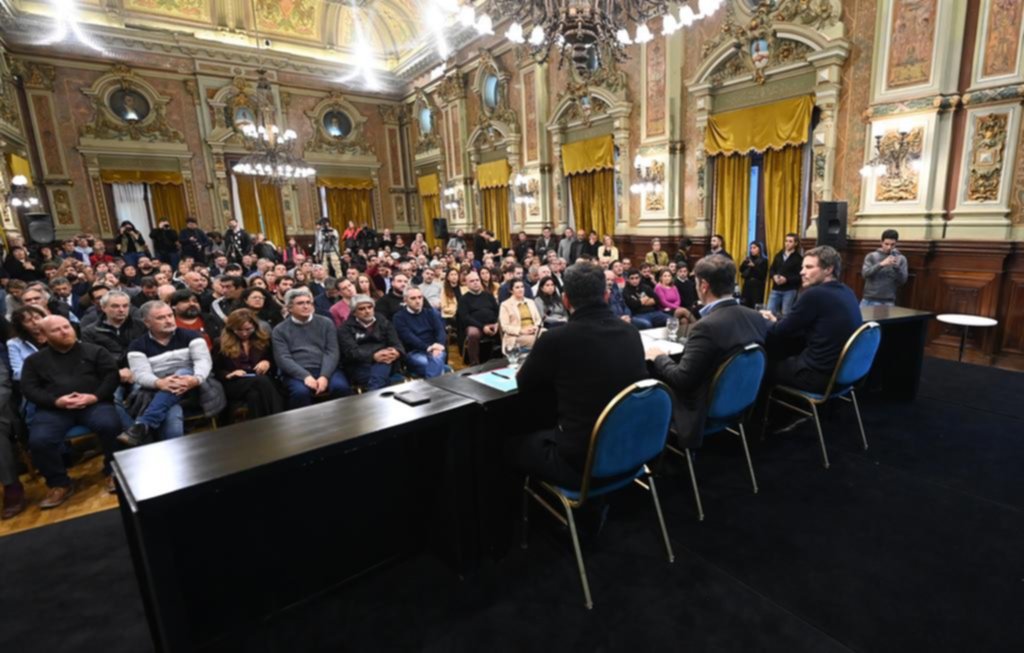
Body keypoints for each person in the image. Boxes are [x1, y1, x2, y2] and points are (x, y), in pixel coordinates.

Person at [509, 262, 647, 488]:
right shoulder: (631, 332)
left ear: (565, 300)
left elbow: (523, 385)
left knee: (509, 444)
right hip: (631, 445)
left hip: (581, 461)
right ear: (606, 295)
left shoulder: (556, 340)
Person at [646, 256, 767, 446]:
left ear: (703, 285)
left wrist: (659, 357)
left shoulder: (706, 327)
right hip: (739, 401)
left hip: (700, 408)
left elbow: (682, 380)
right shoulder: (756, 317)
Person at [21, 316, 123, 504]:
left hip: (94, 403)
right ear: (44, 336)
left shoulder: (95, 351)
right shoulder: (34, 361)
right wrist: (56, 402)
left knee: (111, 425)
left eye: (66, 327)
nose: (64, 331)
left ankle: (114, 472)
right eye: (56, 330)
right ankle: (59, 484)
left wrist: (95, 396)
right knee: (39, 440)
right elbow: (29, 389)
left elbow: (111, 376)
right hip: (54, 409)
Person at [760, 246, 862, 395]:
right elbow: (803, 321)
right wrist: (777, 319)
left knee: (762, 365)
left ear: (828, 269)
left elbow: (780, 330)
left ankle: (764, 418)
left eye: (808, 267)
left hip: (817, 377)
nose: (801, 272)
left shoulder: (815, 294)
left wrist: (764, 319)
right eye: (802, 267)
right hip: (844, 376)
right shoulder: (847, 290)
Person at [121, 301, 221, 445]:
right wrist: (159, 383)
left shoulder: (192, 336)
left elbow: (203, 362)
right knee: (172, 415)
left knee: (183, 371)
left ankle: (143, 424)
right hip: (158, 391)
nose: (168, 320)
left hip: (196, 388)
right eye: (161, 318)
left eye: (170, 315)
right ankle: (175, 455)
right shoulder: (137, 346)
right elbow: (141, 375)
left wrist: (195, 379)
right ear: (147, 323)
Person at [272, 287, 349, 408]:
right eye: (300, 303)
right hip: (296, 372)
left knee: (341, 387)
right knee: (300, 393)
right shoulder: (280, 330)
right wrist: (305, 376)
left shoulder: (326, 323)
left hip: (326, 368)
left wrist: (324, 376)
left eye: (308, 302)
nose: (306, 306)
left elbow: (332, 352)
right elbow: (283, 358)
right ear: (289, 308)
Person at [215, 309, 283, 420]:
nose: (244, 333)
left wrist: (267, 362)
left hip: (259, 379)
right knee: (263, 381)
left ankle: (260, 430)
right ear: (231, 329)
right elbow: (216, 370)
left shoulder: (263, 339)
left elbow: (275, 364)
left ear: (254, 326)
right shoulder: (220, 343)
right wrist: (229, 374)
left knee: (254, 395)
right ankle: (279, 419)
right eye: (239, 330)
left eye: (248, 329)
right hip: (235, 382)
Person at [338, 295, 405, 390]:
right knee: (388, 380)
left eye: (370, 307)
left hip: (387, 362)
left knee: (382, 368)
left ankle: (374, 392)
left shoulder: (383, 321)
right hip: (360, 365)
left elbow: (397, 343)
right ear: (354, 313)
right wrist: (374, 356)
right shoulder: (345, 329)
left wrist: (396, 352)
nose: (367, 311)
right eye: (362, 309)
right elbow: (351, 352)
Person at [393, 286, 447, 379]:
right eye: (413, 298)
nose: (418, 301)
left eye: (420, 297)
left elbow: (440, 331)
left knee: (435, 361)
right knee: (433, 364)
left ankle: (432, 388)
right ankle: (439, 378)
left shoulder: (431, 313)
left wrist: (439, 345)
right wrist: (427, 348)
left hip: (435, 349)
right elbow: (408, 338)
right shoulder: (399, 317)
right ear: (405, 300)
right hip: (414, 352)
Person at [457, 271, 500, 366]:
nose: (475, 282)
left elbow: (498, 311)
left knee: (505, 327)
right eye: (472, 281)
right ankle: (474, 363)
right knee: (473, 333)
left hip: (493, 324)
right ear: (467, 284)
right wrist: (482, 327)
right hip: (475, 326)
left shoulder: (488, 295)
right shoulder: (463, 299)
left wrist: (497, 323)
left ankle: (503, 359)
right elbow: (465, 318)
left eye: (477, 280)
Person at [861, 229, 908, 307]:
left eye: (892, 244)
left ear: (896, 243)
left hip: (888, 301)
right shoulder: (871, 256)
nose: (889, 247)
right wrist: (881, 264)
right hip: (869, 299)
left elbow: (902, 281)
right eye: (886, 244)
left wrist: (897, 268)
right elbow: (865, 274)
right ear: (881, 242)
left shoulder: (901, 259)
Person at [499, 279, 543, 351]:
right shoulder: (505, 305)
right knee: (537, 340)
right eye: (517, 287)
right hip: (517, 335)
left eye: (522, 287)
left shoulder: (530, 302)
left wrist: (535, 327)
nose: (521, 289)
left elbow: (539, 319)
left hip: (534, 331)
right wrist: (521, 331)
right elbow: (505, 326)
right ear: (511, 290)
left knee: (549, 336)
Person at [767, 233, 803, 316]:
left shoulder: (799, 258)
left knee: (786, 314)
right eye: (786, 241)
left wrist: (787, 279)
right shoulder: (778, 255)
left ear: (796, 243)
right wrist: (774, 276)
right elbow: (772, 270)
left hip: (790, 290)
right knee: (769, 312)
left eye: (790, 241)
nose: (787, 243)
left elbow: (799, 277)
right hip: (776, 289)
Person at [740, 241, 769, 308]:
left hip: (757, 286)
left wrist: (754, 267)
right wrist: (745, 263)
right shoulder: (749, 259)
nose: (752, 250)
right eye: (751, 248)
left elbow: (762, 275)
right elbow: (741, 270)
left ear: (759, 249)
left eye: (754, 248)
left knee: (755, 305)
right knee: (745, 304)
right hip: (747, 284)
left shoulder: (764, 260)